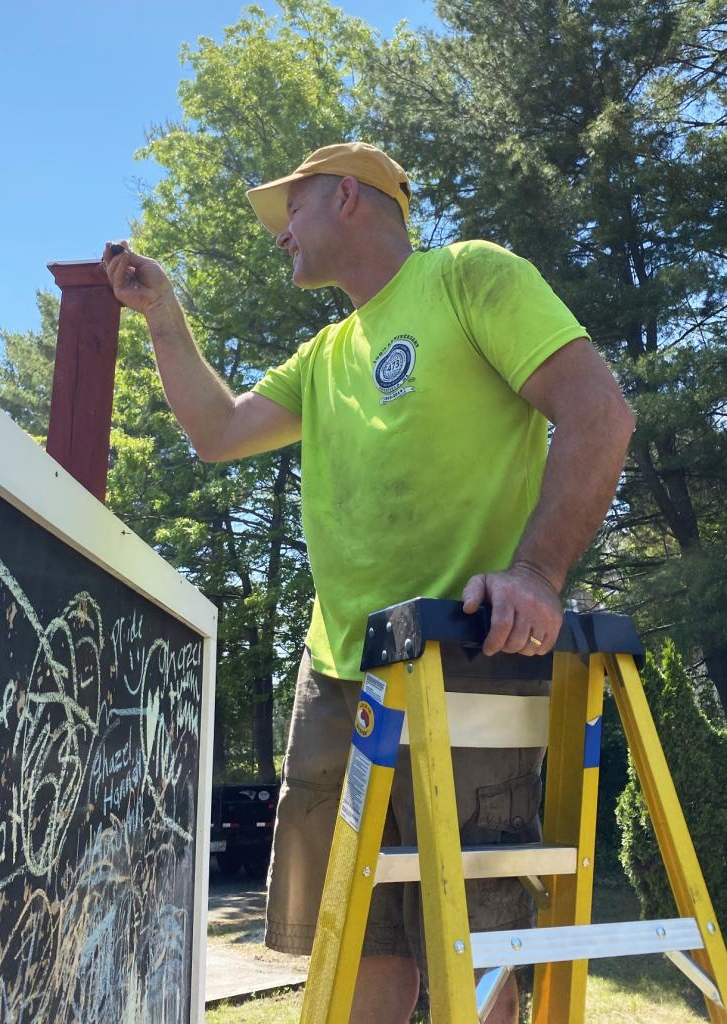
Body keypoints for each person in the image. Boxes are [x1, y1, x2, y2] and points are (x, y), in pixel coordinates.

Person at [103, 141, 635, 1024]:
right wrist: (161, 311)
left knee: (474, 933)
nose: (282, 237)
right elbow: (218, 430)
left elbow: (598, 410)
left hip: (468, 649)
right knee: (364, 935)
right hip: (340, 669)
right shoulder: (323, 355)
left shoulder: (468, 276)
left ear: (348, 195)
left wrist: (538, 572)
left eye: (293, 211)